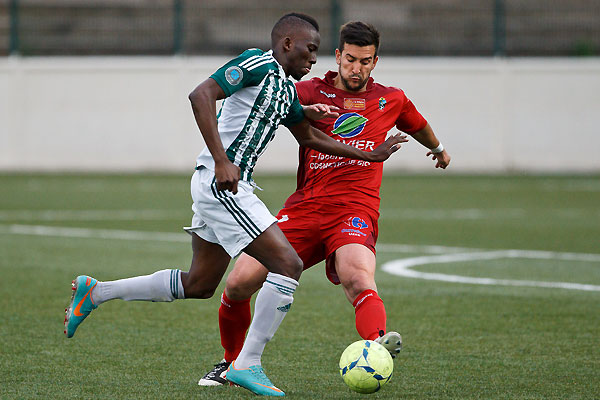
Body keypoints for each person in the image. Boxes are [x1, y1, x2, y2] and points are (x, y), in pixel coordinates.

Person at [63, 13, 405, 397]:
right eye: (310, 49)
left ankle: (95, 293)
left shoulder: (286, 90)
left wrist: (371, 156)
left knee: (199, 283)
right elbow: (201, 95)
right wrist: (222, 159)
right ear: (288, 43)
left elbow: (309, 137)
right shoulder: (257, 63)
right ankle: (247, 363)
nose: (314, 58)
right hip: (222, 183)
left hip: (223, 185)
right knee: (287, 264)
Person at [198, 21, 451, 387]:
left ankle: (375, 345)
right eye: (350, 59)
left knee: (357, 276)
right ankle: (230, 363)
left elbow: (418, 125)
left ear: (375, 62)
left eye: (365, 61)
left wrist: (438, 150)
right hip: (305, 207)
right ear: (338, 55)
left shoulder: (391, 99)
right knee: (237, 284)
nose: (356, 68)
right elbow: (264, 102)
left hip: (354, 209)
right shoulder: (306, 90)